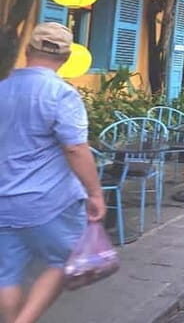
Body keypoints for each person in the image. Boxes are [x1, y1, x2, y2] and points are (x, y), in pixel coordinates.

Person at [0, 23, 106, 323]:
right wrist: (95, 193)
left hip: (3, 199)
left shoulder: (2, 89)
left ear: (28, 50)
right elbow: (75, 149)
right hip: (46, 202)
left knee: (6, 274)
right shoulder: (62, 94)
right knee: (67, 260)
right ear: (66, 56)